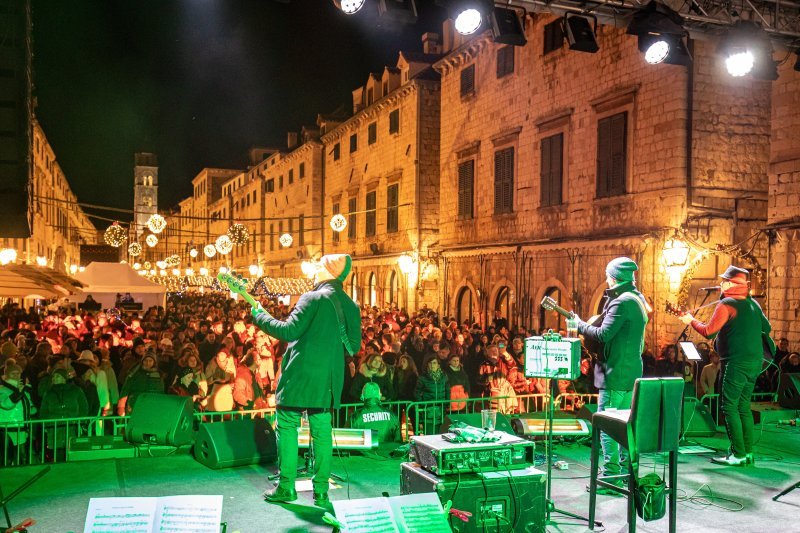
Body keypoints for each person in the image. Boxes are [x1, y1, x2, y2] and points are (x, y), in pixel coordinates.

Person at [252, 254, 361, 508]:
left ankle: (286, 487)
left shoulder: (312, 298)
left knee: (288, 426)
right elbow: (353, 346)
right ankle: (321, 492)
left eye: (318, 267)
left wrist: (260, 316)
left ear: (328, 271)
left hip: (300, 377)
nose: (313, 271)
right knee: (322, 434)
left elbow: (288, 331)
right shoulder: (351, 305)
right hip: (329, 380)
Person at [680, 266, 772, 465]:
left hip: (736, 362)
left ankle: (738, 455)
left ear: (731, 284)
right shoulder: (753, 304)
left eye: (724, 281)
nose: (721, 283)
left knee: (729, 406)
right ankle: (747, 453)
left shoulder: (726, 304)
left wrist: (690, 320)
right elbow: (767, 328)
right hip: (755, 362)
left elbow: (709, 332)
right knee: (743, 407)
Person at [574, 257, 648, 491]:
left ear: (614, 277)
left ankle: (610, 477)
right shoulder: (637, 300)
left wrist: (578, 324)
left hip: (614, 373)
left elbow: (604, 334)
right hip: (631, 373)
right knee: (627, 426)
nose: (606, 279)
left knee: (607, 425)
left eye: (608, 275)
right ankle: (628, 474)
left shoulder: (622, 303)